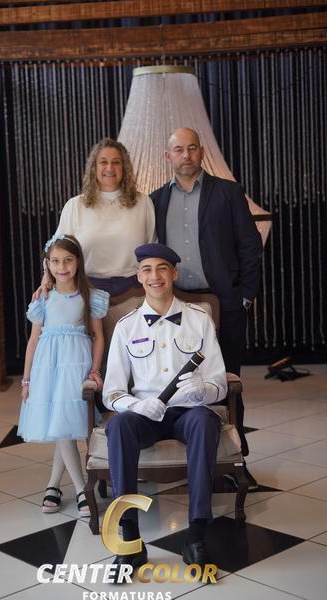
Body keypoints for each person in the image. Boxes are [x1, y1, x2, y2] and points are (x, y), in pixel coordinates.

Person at [103, 242, 227, 575]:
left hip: (189, 411)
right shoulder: (126, 326)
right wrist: (137, 404)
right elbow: (111, 392)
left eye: (162, 269)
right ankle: (131, 539)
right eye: (147, 269)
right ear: (138, 277)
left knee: (205, 422)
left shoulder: (199, 319)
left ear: (174, 273)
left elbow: (219, 382)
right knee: (118, 426)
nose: (154, 276)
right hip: (146, 415)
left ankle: (196, 537)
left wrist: (203, 389)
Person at [150, 128, 263, 489]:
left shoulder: (228, 192)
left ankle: (237, 460)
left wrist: (244, 296)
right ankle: (192, 458)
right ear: (168, 156)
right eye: (178, 149)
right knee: (180, 382)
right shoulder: (155, 200)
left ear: (201, 153)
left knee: (227, 382)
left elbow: (250, 245)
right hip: (177, 304)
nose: (186, 155)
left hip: (224, 302)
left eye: (192, 148)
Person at [18, 234, 109, 515]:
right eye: (55, 261)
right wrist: (26, 379)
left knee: (65, 426)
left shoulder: (89, 296)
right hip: (48, 369)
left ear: (78, 262)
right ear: (47, 264)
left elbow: (99, 337)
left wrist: (95, 369)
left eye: (68, 260)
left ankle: (54, 486)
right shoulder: (43, 298)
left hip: (76, 366)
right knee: (63, 428)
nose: (62, 267)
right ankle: (81, 490)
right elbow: (33, 340)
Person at [38, 138, 156, 298]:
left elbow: (153, 249)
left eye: (116, 162)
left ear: (125, 167)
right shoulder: (75, 206)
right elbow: (56, 250)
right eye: (103, 162)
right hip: (86, 292)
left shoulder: (143, 203)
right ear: (94, 167)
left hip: (135, 292)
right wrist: (47, 277)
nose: (110, 168)